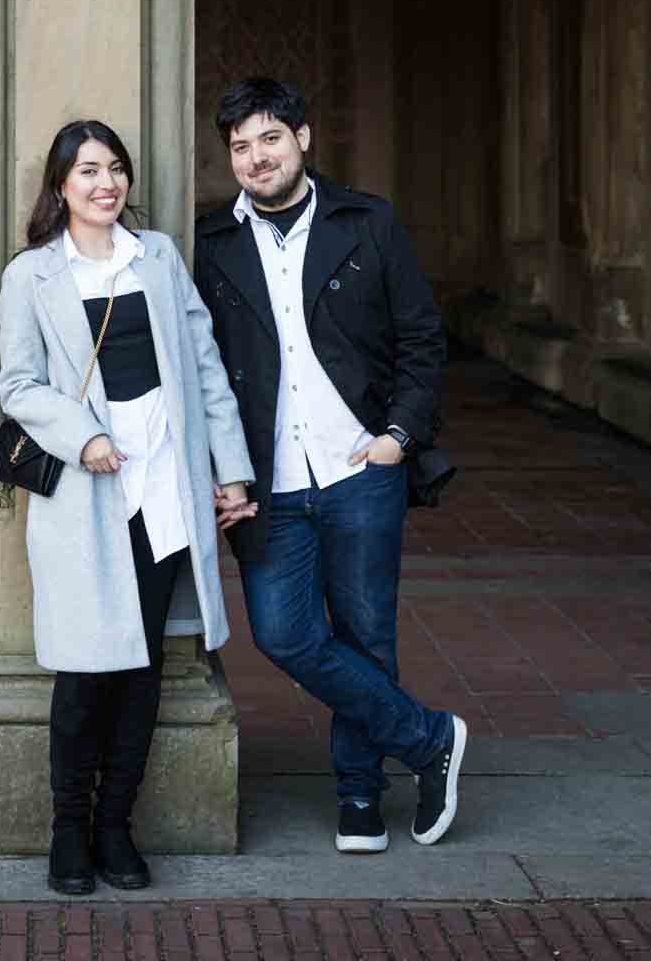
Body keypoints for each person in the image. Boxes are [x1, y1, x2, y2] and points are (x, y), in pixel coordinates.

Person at [193, 76, 466, 854]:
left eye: (269, 138)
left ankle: (358, 797)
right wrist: (221, 469)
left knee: (365, 633)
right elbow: (200, 368)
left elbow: (421, 339)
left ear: (303, 139)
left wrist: (398, 437)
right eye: (240, 146)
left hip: (359, 469)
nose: (256, 157)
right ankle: (429, 739)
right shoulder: (209, 246)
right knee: (283, 635)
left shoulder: (368, 222)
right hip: (266, 483)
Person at [0, 118, 257, 896]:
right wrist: (84, 439)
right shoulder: (31, 275)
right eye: (86, 172)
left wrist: (232, 472)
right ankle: (67, 832)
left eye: (115, 169)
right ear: (60, 186)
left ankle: (117, 826)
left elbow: (205, 367)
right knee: (85, 674)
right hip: (87, 496)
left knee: (140, 668)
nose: (105, 183)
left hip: (163, 490)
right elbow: (17, 384)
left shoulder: (160, 259)